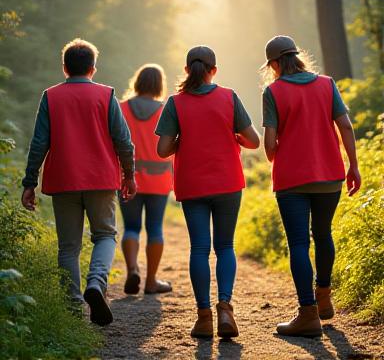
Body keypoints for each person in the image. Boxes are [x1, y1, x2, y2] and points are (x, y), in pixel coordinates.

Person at [21, 38, 136, 326]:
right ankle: (96, 283)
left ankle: (72, 311)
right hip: (101, 179)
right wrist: (129, 175)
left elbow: (39, 143)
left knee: (68, 247)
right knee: (105, 235)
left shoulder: (51, 96)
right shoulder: (106, 95)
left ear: (64, 68)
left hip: (63, 180)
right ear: (93, 68)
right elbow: (124, 141)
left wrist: (29, 182)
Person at [156, 46, 260, 339]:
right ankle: (225, 308)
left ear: (188, 70)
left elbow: (162, 149)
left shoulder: (176, 103)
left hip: (193, 185)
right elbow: (254, 141)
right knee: (225, 247)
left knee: (200, 248)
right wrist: (231, 133)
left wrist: (183, 139)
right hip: (227, 182)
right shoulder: (229, 97)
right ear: (214, 70)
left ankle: (203, 317)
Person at [261, 35, 361, 337]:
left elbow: (269, 146)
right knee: (323, 233)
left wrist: (281, 149)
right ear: (298, 56)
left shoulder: (273, 91)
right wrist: (353, 165)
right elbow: (345, 125)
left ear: (275, 64)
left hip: (291, 180)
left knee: (299, 244)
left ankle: (307, 314)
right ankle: (324, 298)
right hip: (329, 175)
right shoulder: (327, 84)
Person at [119, 64, 173, 295]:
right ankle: (151, 281)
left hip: (127, 179)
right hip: (160, 179)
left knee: (131, 227)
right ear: (160, 85)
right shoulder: (165, 111)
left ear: (137, 82)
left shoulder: (120, 109)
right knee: (155, 229)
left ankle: (132, 270)